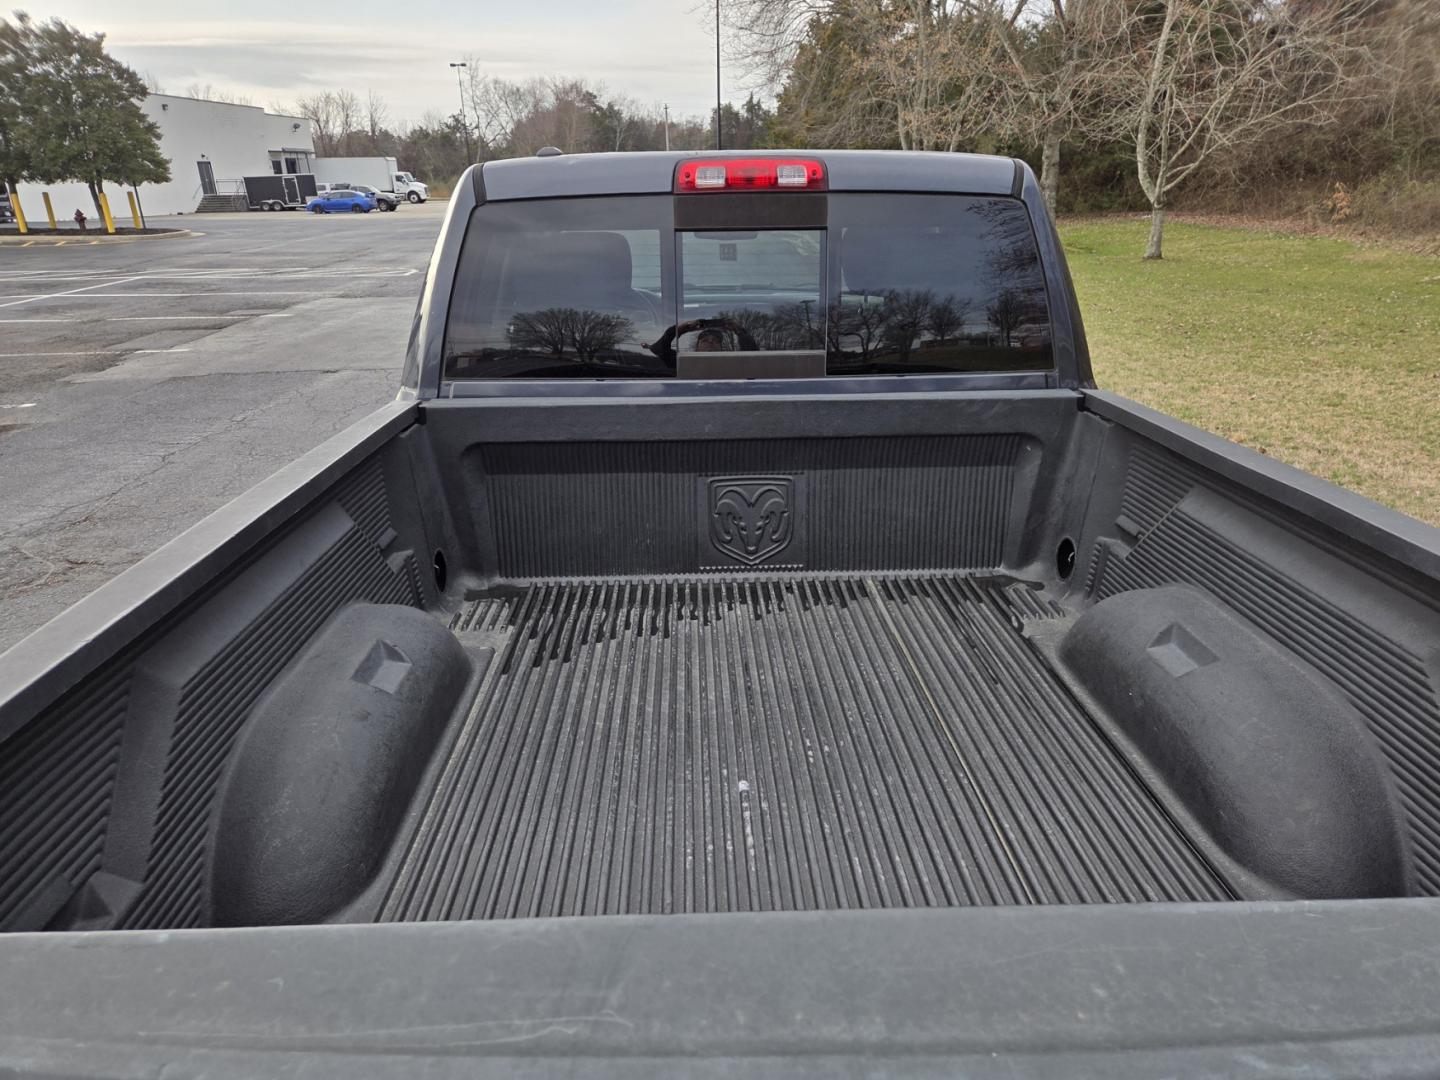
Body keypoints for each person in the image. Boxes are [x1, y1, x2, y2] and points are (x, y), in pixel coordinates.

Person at [648, 317, 759, 367]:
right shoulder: (682, 363)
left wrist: (739, 331)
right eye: (705, 340)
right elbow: (658, 350)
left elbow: (753, 356)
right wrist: (681, 329)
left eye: (716, 341)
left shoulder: (732, 364)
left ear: (721, 348)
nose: (710, 341)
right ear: (696, 348)